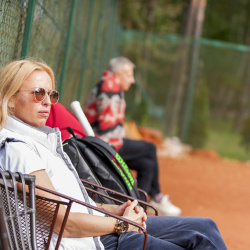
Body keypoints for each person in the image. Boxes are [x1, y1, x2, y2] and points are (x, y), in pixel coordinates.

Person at [0, 59, 227, 250]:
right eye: (38, 93)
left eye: (51, 94)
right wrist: (121, 224)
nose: (48, 102)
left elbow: (73, 205)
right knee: (198, 241)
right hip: (90, 242)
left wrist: (114, 210)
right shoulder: (18, 149)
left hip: (96, 231)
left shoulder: (38, 140)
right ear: (10, 100)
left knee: (205, 227)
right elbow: (63, 224)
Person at [84, 57, 181, 216]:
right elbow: (106, 128)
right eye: (129, 75)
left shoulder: (110, 84)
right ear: (118, 74)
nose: (132, 80)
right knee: (149, 148)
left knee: (147, 164)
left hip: (107, 142)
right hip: (104, 146)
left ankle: (140, 206)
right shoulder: (110, 86)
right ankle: (156, 197)